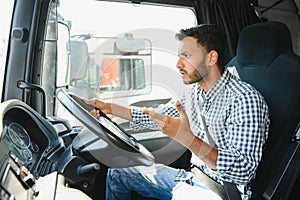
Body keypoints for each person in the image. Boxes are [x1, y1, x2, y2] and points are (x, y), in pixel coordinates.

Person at [85, 24, 270, 200]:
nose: (178, 64)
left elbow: (242, 170)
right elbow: (159, 115)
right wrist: (110, 108)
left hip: (222, 192)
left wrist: (188, 139)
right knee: (119, 172)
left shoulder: (245, 99)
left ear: (211, 58)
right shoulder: (195, 92)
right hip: (193, 177)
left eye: (187, 56)